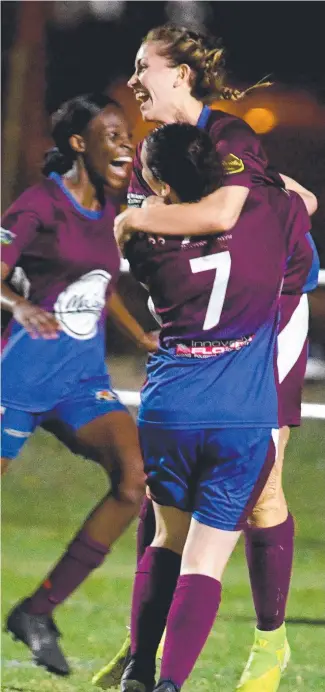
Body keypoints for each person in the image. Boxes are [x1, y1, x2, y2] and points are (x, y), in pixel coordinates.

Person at [93, 24, 319, 692]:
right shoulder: (149, 154)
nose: (133, 80)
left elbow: (224, 212)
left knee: (260, 489)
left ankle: (268, 647)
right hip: (213, 320)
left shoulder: (229, 138)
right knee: (170, 500)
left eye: (144, 67)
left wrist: (132, 223)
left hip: (270, 314)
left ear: (182, 75)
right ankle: (147, 647)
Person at [1, 93, 158, 677]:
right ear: (78, 145)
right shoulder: (38, 204)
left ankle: (37, 611)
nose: (125, 145)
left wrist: (137, 333)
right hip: (18, 377)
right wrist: (17, 306)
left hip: (79, 379)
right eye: (113, 135)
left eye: (127, 136)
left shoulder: (110, 210)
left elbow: (99, 284)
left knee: (134, 478)